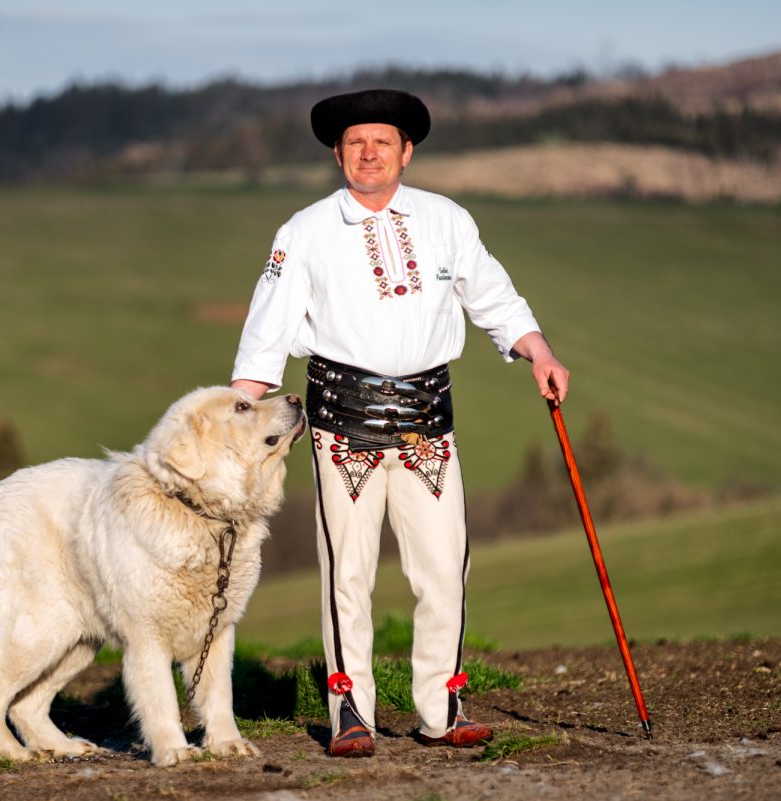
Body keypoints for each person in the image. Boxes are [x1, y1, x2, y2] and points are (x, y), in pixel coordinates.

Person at [230, 88, 569, 758]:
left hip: (427, 426)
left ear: (407, 151)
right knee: (347, 573)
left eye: (382, 141)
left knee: (445, 568)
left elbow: (493, 294)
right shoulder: (304, 233)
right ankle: (348, 710)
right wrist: (235, 417)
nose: (368, 153)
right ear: (337, 152)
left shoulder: (447, 221)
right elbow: (265, 335)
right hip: (340, 424)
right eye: (355, 142)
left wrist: (538, 349)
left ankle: (441, 708)